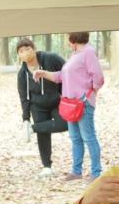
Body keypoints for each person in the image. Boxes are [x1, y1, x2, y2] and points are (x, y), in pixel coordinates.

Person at [32, 32, 104, 181]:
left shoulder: (88, 52)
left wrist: (89, 94)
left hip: (82, 104)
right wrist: (42, 73)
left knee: (88, 137)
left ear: (74, 38)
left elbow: (99, 78)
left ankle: (96, 173)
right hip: (70, 104)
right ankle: (76, 172)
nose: (66, 39)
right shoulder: (75, 55)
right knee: (75, 138)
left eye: (67, 36)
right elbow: (61, 77)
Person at [16, 38, 67, 177]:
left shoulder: (50, 58)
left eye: (27, 48)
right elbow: (24, 97)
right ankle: (47, 166)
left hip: (57, 101)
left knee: (65, 123)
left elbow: (68, 71)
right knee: (43, 134)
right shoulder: (22, 74)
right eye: (21, 51)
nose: (25, 52)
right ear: (19, 56)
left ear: (34, 49)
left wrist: (66, 94)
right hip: (37, 106)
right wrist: (25, 119)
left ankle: (33, 128)